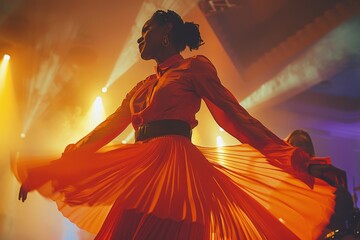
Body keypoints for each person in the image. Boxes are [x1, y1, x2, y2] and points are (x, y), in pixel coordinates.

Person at [13, 10, 336, 240]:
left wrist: (292, 157)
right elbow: (107, 128)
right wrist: (59, 166)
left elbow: (236, 117)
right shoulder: (141, 87)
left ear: (166, 33)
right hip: (142, 168)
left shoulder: (194, 68)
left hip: (179, 168)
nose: (140, 38)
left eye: (147, 30)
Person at [285, 129, 354, 239]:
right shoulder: (283, 178)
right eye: (294, 145)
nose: (299, 148)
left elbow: (342, 204)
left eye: (304, 144)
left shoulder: (324, 172)